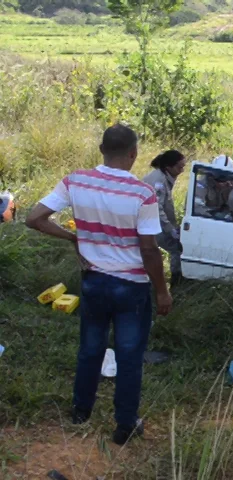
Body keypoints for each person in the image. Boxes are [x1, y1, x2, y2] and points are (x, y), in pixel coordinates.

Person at [25, 124, 172, 446]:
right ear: (133, 154)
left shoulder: (76, 180)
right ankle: (125, 425)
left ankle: (81, 411)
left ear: (101, 150)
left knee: (90, 349)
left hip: (93, 282)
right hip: (131, 287)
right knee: (129, 357)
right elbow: (148, 249)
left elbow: (34, 218)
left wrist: (73, 238)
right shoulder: (141, 193)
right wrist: (162, 291)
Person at [143, 150, 187, 287]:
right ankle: (176, 281)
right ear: (169, 167)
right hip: (150, 223)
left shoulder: (163, 177)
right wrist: (170, 229)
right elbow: (157, 207)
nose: (182, 170)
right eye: (180, 167)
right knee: (176, 248)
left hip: (150, 221)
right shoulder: (159, 181)